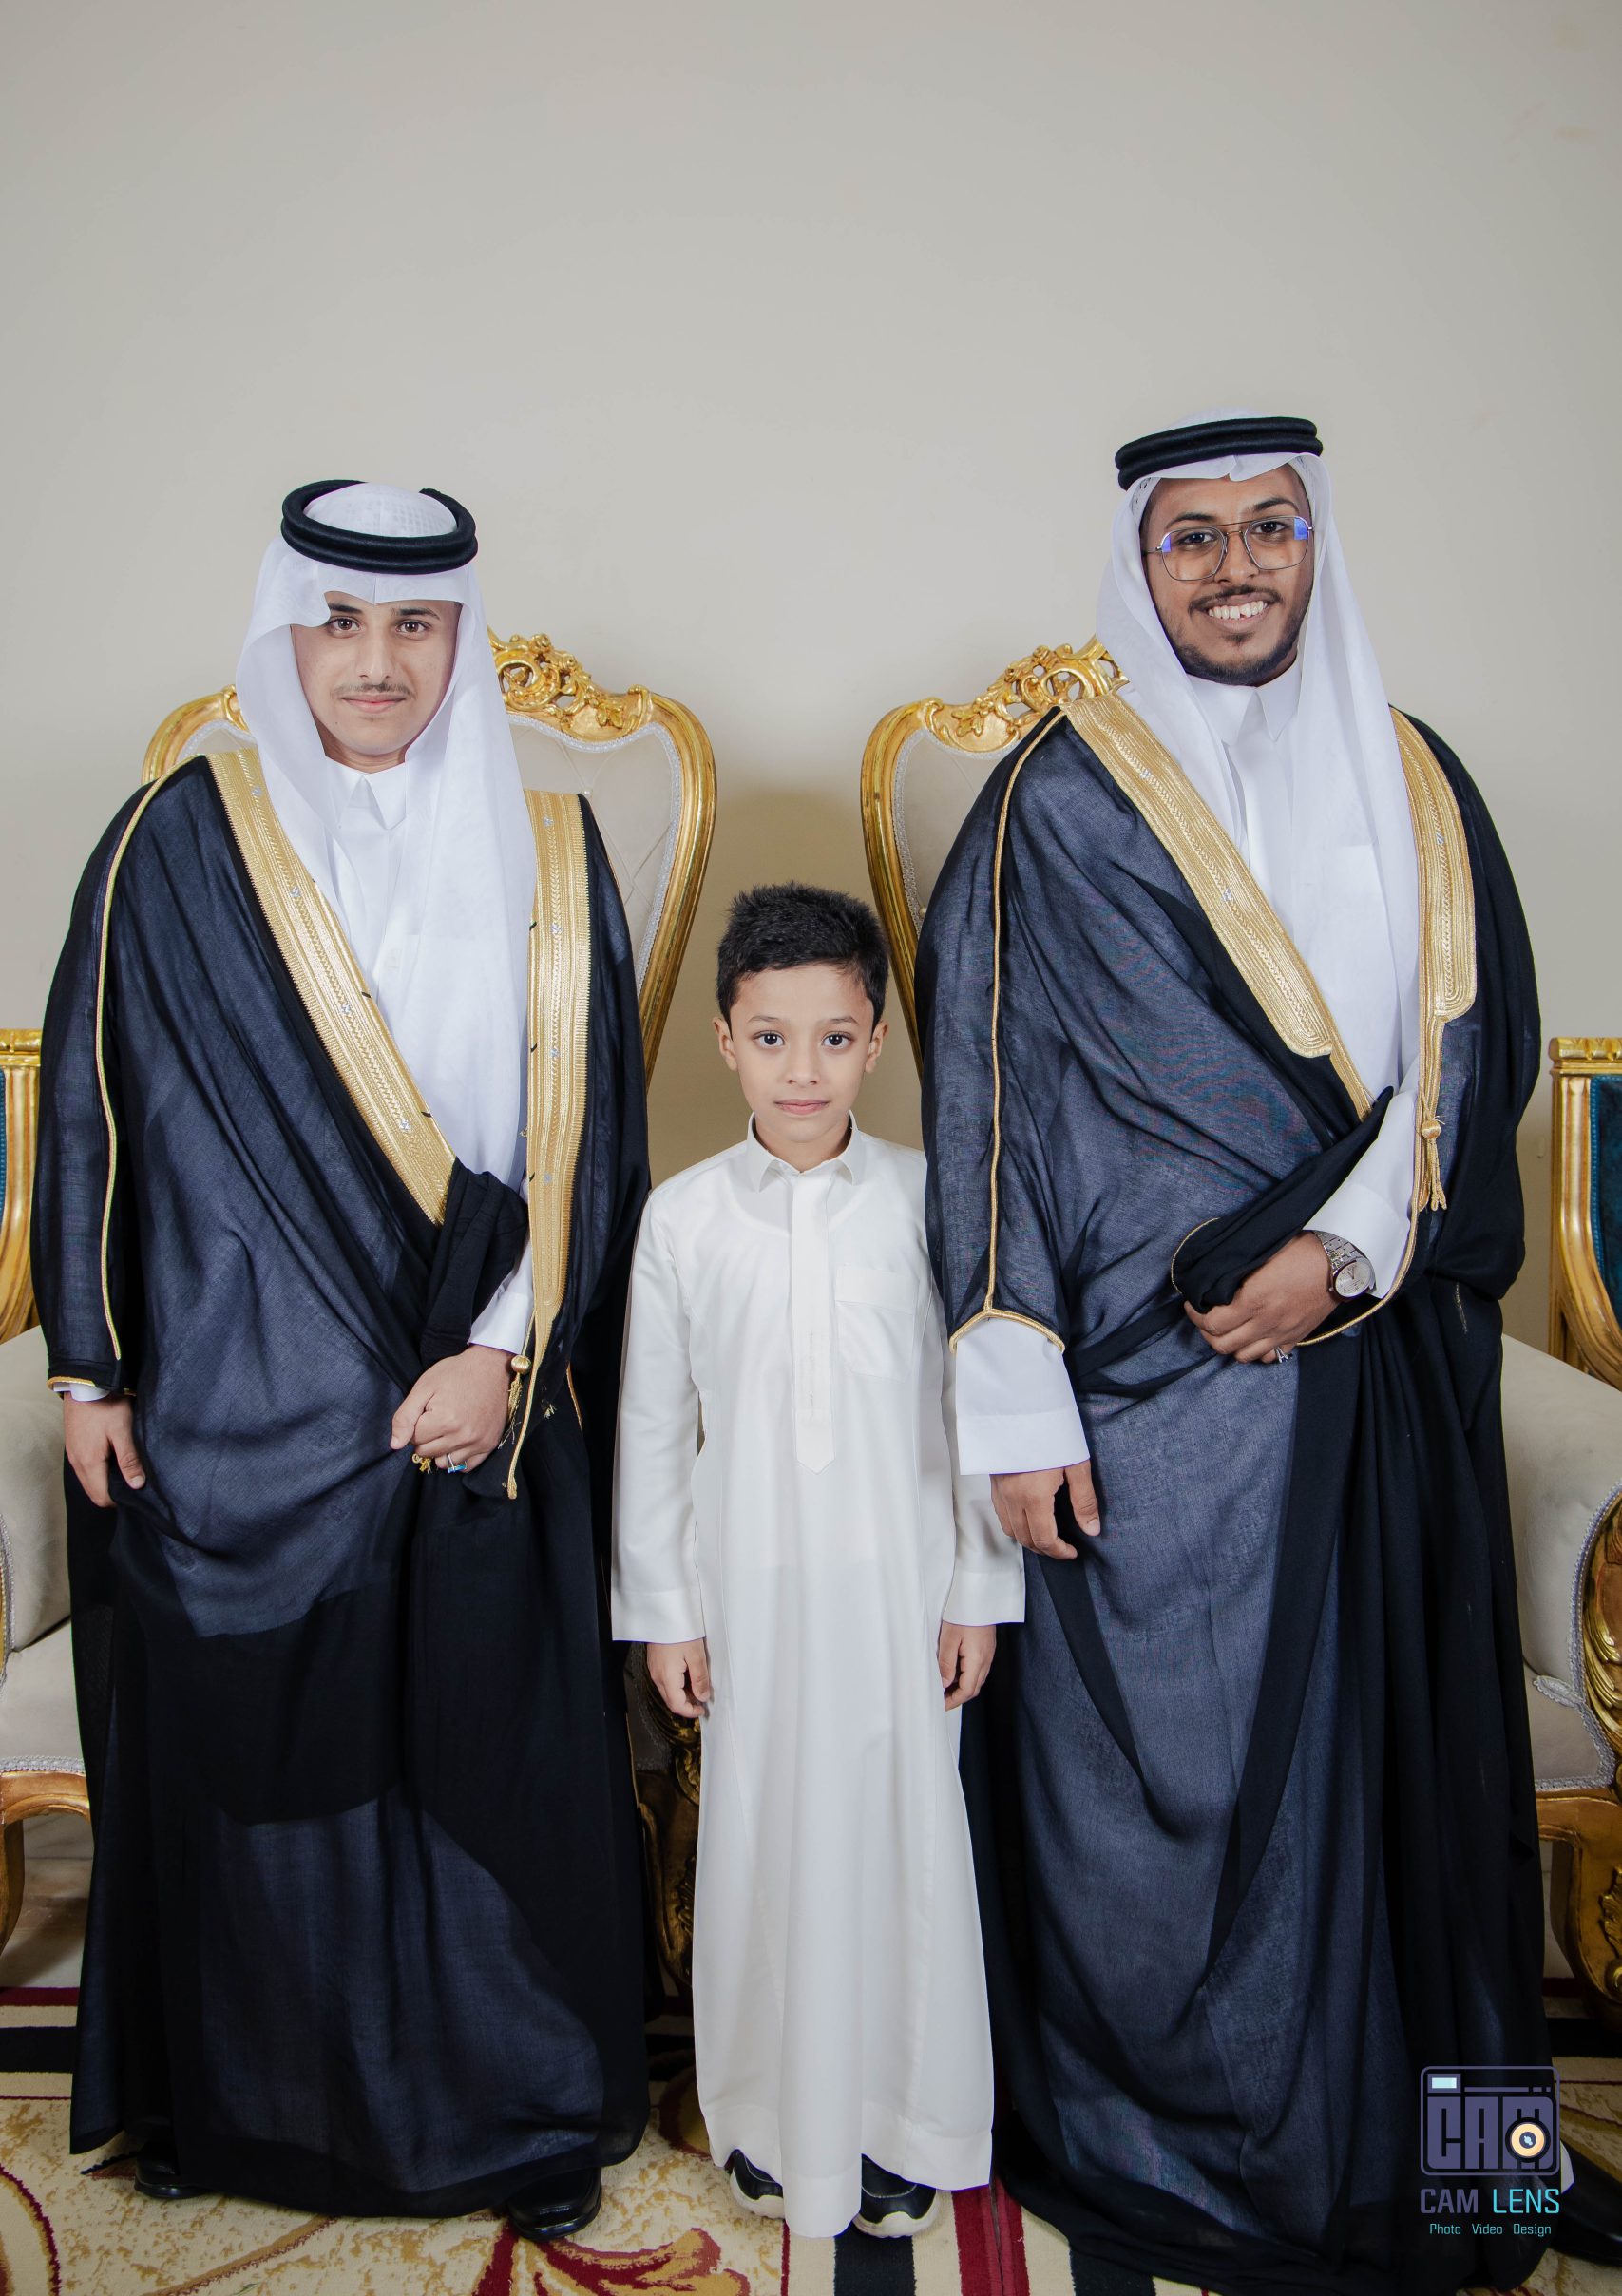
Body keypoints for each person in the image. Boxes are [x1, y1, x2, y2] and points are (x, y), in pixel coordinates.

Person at [918, 416, 1622, 2292]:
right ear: (1137, 565)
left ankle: (1476, 2170)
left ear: (1316, 545)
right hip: (1149, 1406)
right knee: (1183, 1804)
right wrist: (1014, 1406)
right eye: (1193, 538)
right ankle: (1189, 2153)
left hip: (1373, 1365)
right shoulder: (1052, 802)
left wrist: (1342, 1254)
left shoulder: (1418, 781)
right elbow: (986, 1112)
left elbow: (1467, 1064)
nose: (1236, 566)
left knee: (1421, 1795)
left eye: (1270, 528)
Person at [33, 480, 649, 2238]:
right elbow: (86, 1107)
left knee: (486, 1750)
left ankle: (512, 2108)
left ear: (462, 637)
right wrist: (88, 1368)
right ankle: (244, 2103)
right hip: (236, 1399)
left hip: (475, 1388)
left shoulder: (552, 851)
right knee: (247, 1756)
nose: (376, 663)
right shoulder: (174, 840)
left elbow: (591, 1143)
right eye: (340, 622)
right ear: (284, 633)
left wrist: (501, 1355)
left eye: (416, 626)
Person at [613, 883, 1021, 2240]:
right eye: (773, 1038)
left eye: (836, 1039)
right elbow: (654, 1432)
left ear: (879, 1042)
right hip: (748, 1593)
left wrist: (979, 1588)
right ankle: (770, 2116)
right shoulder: (682, 1219)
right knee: (759, 1847)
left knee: (906, 1844)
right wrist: (667, 1613)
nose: (804, 1070)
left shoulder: (929, 1200)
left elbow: (970, 1410)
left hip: (901, 1588)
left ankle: (907, 2120)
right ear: (725, 1041)